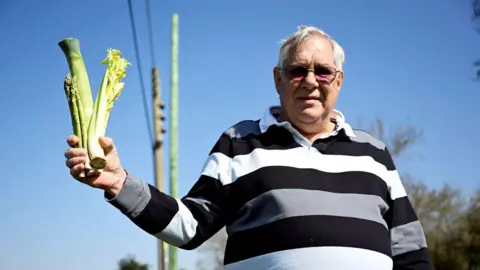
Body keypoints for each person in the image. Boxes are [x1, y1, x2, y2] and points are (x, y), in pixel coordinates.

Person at [64, 25, 434, 270]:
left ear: (338, 80)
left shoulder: (374, 153)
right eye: (297, 70)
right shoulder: (239, 143)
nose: (310, 81)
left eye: (322, 71)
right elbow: (189, 227)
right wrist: (118, 183)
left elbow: (410, 253)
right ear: (278, 79)